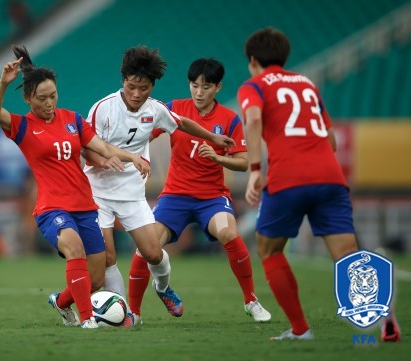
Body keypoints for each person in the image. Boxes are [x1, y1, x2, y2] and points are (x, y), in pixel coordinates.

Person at [0, 45, 150, 329]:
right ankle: (87, 319)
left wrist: (130, 156)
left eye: (53, 95)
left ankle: (62, 302)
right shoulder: (23, 127)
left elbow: (100, 146)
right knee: (74, 248)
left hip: (86, 207)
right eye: (42, 98)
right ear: (28, 99)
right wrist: (3, 83)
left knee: (96, 279)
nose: (49, 102)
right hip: (52, 208)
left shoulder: (73, 119)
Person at [83, 46, 234, 325]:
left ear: (151, 86)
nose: (137, 93)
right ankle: (125, 315)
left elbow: (183, 123)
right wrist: (105, 162)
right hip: (97, 193)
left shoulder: (156, 110)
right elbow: (87, 149)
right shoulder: (103, 108)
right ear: (123, 81)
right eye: (131, 86)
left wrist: (213, 139)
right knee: (108, 256)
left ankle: (163, 288)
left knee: (153, 252)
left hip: (131, 195)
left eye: (143, 88)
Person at [126, 57, 271, 322]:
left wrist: (218, 158)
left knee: (229, 232)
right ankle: (133, 313)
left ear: (218, 87)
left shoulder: (229, 119)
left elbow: (242, 162)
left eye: (206, 86)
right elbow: (145, 134)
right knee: (146, 247)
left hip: (212, 197)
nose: (199, 92)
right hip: (175, 196)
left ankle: (251, 300)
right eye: (194, 85)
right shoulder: (174, 109)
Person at [237, 27, 360, 340]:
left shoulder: (254, 85)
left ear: (253, 60)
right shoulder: (307, 83)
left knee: (268, 249)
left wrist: (254, 169)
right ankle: (383, 326)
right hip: (330, 176)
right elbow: (330, 139)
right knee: (348, 254)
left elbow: (252, 119)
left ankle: (300, 329)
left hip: (288, 177)